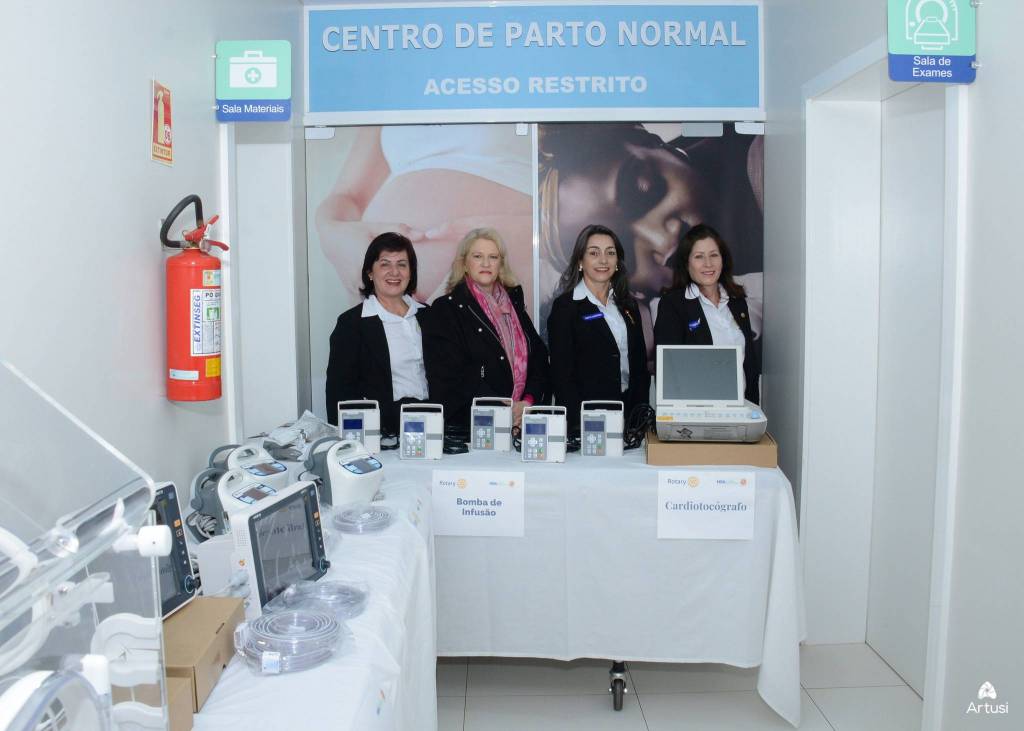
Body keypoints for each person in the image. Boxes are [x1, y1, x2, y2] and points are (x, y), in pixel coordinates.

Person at [538, 123, 764, 363]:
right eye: (626, 255)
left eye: (641, 190)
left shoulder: (765, 164)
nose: (663, 240)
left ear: (654, 143)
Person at [315, 125, 534, 307]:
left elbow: (556, 202)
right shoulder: (387, 89)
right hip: (386, 299)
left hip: (500, 278)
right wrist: (333, 232)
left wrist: (525, 237)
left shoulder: (521, 88)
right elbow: (348, 195)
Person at [422, 228, 549, 433]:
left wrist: (527, 401)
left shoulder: (514, 306)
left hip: (521, 423)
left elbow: (539, 359)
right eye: (478, 256)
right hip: (473, 429)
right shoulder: (445, 309)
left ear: (501, 264)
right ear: (464, 263)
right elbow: (449, 375)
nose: (486, 263)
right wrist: (502, 410)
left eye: (493, 257)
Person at [546, 225, 649, 435]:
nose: (603, 260)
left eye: (610, 253)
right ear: (580, 261)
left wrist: (638, 419)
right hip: (587, 423)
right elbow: (562, 377)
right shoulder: (565, 308)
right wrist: (582, 425)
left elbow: (639, 368)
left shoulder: (628, 305)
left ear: (617, 262)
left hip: (629, 418)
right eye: (594, 253)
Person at [325, 232, 429, 434]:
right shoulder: (352, 324)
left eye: (402, 264)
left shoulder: (429, 316)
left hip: (432, 421)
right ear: (370, 273)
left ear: (411, 272)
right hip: (380, 430)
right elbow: (339, 392)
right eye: (385, 264)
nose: (394, 272)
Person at [654, 224, 760, 404]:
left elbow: (748, 364)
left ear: (723, 260)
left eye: (714, 255)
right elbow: (668, 371)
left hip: (740, 410)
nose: (708, 264)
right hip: (696, 413)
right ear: (686, 263)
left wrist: (753, 408)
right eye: (699, 257)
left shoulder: (737, 302)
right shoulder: (673, 304)